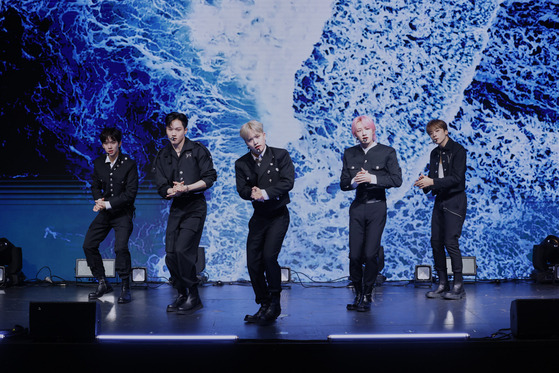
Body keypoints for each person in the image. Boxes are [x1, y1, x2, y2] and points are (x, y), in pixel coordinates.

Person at [154, 112, 217, 314]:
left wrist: (187, 188)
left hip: (195, 206)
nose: (174, 133)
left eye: (178, 129)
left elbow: (209, 178)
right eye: (170, 129)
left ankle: (194, 295)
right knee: (171, 255)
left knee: (183, 251)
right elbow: (161, 185)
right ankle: (181, 294)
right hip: (177, 207)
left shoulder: (197, 150)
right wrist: (169, 191)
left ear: (185, 130)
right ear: (166, 130)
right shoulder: (163, 155)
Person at [235, 120, 295, 325]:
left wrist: (265, 193)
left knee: (269, 257)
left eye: (257, 137)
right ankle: (264, 303)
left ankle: (275, 303)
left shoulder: (280, 155)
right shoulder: (241, 163)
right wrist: (252, 193)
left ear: (264, 135)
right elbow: (241, 189)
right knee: (253, 261)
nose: (255, 142)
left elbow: (288, 182)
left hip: (278, 214)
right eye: (250, 140)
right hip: (259, 217)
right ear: (246, 143)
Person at [340, 115, 402, 312]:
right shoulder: (350, 153)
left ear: (373, 130)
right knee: (355, 255)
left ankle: (367, 294)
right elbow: (343, 184)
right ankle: (358, 294)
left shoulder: (387, 152)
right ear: (355, 134)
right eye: (359, 131)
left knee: (370, 254)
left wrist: (372, 178)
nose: (363, 133)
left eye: (366, 129)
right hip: (358, 207)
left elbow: (396, 180)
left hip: (377, 206)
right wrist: (356, 182)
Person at [83, 127, 138, 303]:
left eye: (113, 142)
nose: (110, 146)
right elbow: (94, 186)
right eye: (106, 143)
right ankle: (102, 281)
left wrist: (105, 204)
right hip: (106, 213)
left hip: (123, 213)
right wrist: (98, 200)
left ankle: (125, 286)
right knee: (89, 244)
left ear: (119, 143)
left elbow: (130, 195)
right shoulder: (99, 163)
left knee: (120, 248)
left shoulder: (129, 164)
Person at [414, 119, 467, 300]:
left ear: (445, 131)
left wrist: (432, 181)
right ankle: (442, 283)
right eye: (431, 133)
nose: (434, 135)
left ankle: (458, 285)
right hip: (440, 200)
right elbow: (436, 178)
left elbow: (456, 179)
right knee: (436, 242)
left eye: (437, 131)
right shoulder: (434, 153)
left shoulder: (458, 150)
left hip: (455, 200)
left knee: (450, 242)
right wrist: (425, 184)